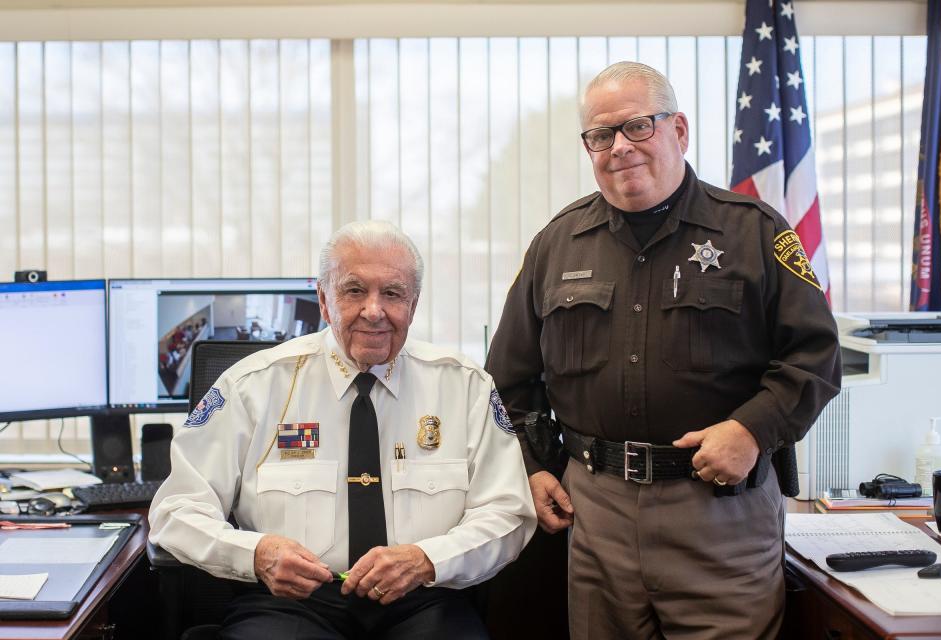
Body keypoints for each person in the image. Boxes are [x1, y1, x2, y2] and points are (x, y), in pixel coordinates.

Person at [485, 62, 842, 639]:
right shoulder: (556, 243)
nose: (619, 147)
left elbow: (817, 356)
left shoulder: (754, 231)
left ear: (678, 129)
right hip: (594, 512)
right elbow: (508, 377)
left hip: (719, 515)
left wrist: (752, 430)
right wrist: (531, 465)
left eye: (637, 127)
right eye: (601, 135)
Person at [149, 220, 537, 640]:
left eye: (392, 293)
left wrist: (427, 558)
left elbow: (508, 512)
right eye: (354, 291)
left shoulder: (464, 386)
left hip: (424, 598)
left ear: (414, 303)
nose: (374, 310)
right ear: (323, 298)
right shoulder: (254, 386)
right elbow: (175, 511)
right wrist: (255, 553)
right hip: (292, 606)